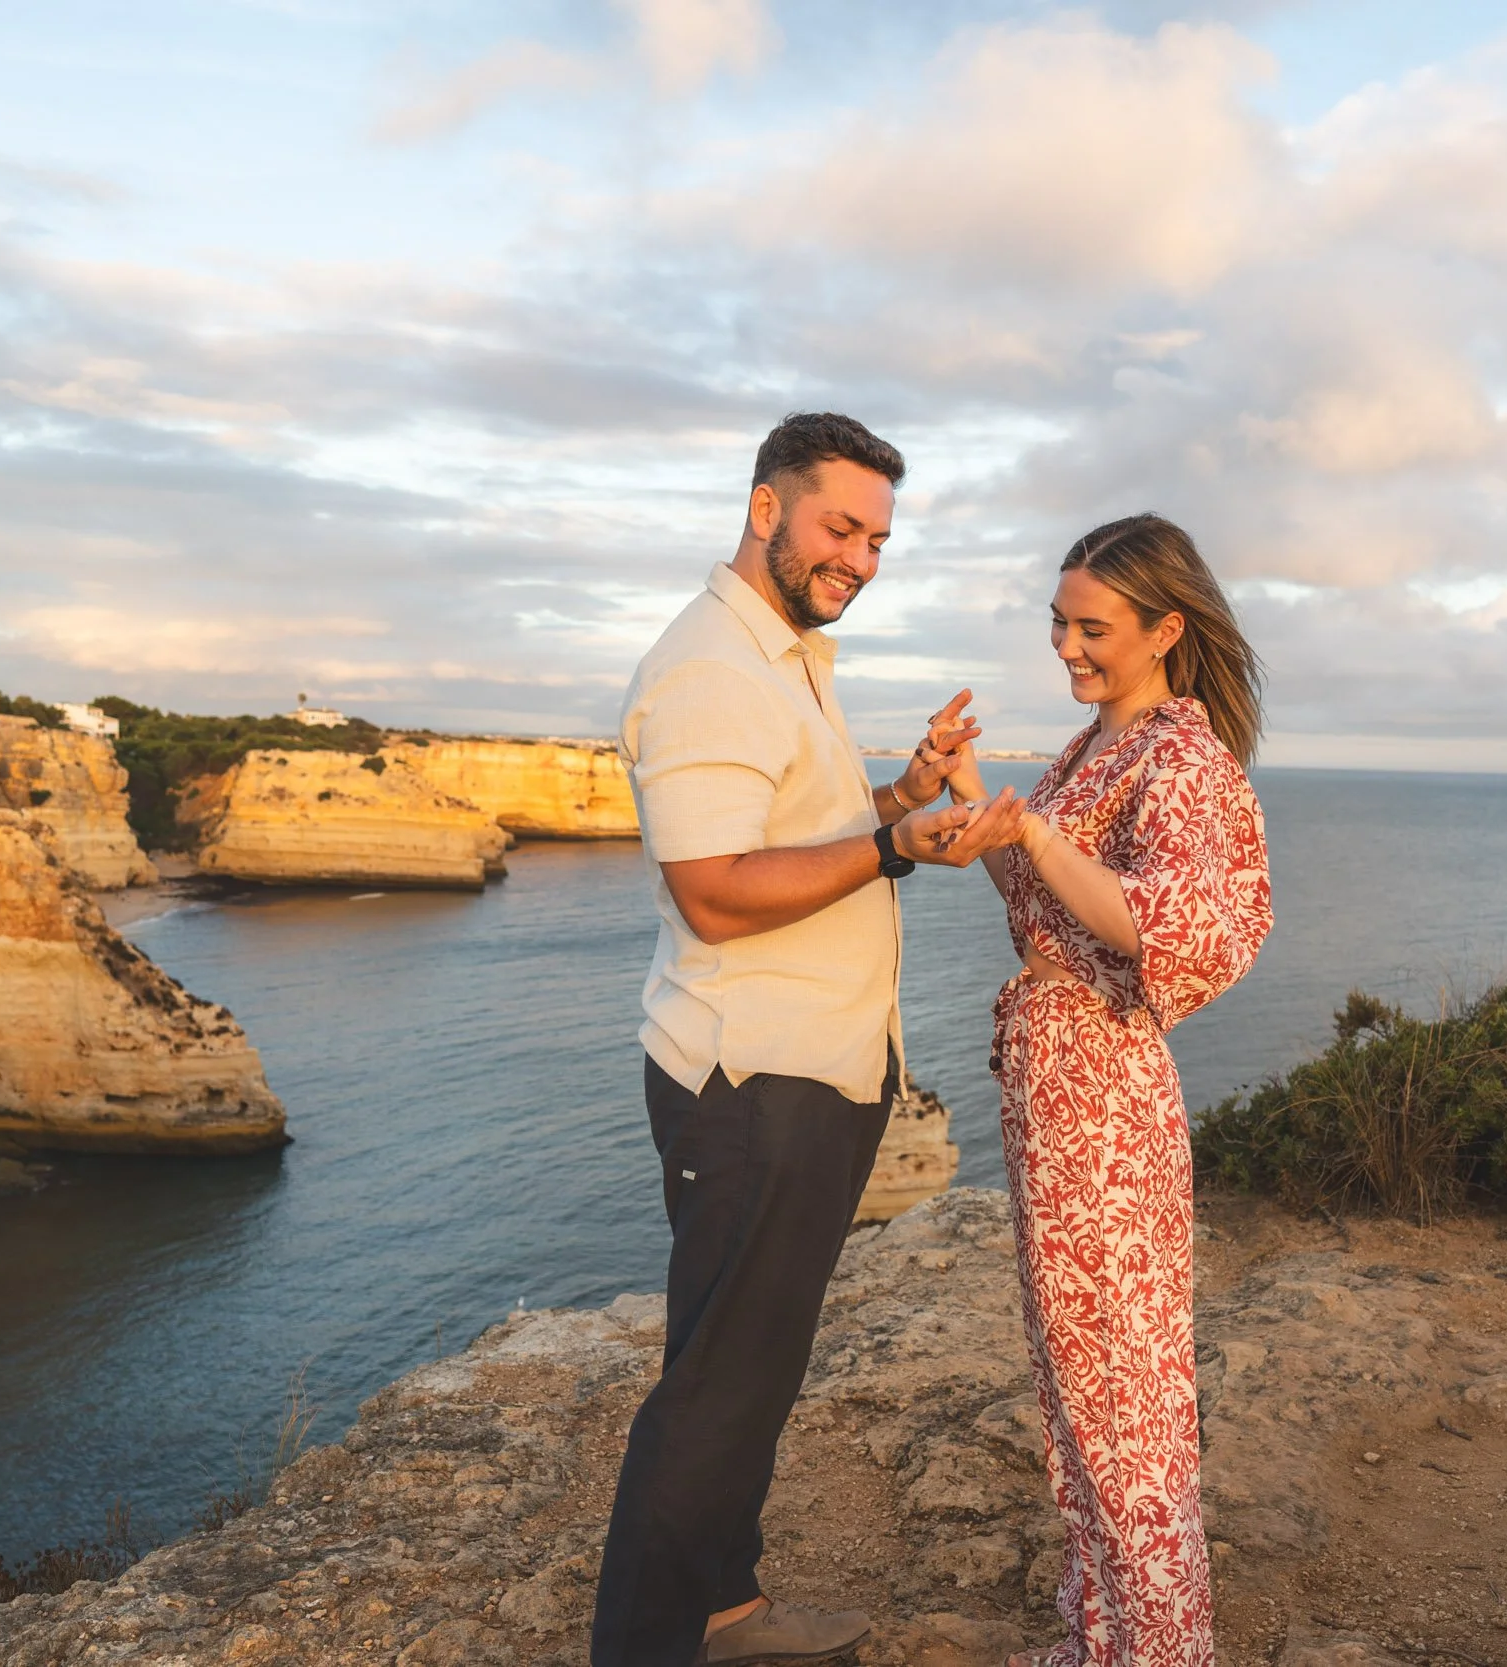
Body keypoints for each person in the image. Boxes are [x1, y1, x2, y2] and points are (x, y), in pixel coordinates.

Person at [595, 412, 1027, 1667]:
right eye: (842, 526)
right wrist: (894, 842)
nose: (862, 557)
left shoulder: (781, 655)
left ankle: (723, 1612)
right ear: (764, 506)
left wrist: (900, 795)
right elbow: (717, 890)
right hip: (754, 1082)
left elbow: (789, 834)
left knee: (741, 1369)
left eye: (881, 538)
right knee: (718, 1393)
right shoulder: (713, 667)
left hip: (804, 1072)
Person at [945, 514, 1274, 1667]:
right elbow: (1052, 893)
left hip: (1100, 1092)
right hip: (1058, 1078)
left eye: (1092, 628)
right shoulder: (1101, 743)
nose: (1068, 647)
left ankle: (1161, 1653)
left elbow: (1156, 920)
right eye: (1058, 623)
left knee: (1121, 1402)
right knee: (1079, 1384)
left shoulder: (1180, 756)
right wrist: (978, 796)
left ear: (1165, 629)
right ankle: (1106, 1642)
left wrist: (1028, 823)